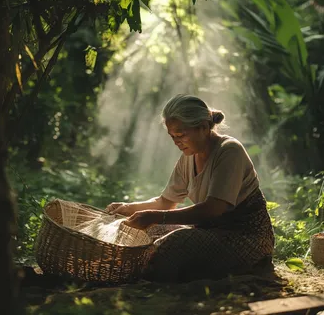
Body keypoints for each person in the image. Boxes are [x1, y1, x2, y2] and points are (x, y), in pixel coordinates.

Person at [105, 94, 275, 282]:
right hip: (210, 234)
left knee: (173, 244)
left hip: (246, 238)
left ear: (203, 127)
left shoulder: (229, 151)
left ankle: (148, 274)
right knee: (146, 232)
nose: (176, 142)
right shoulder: (188, 157)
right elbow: (165, 202)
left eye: (181, 135)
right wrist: (128, 208)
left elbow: (214, 208)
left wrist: (154, 216)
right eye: (172, 137)